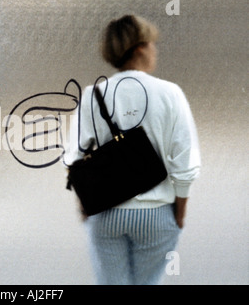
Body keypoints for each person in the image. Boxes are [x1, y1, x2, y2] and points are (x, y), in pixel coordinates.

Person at [64, 14, 201, 285]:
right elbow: (185, 164)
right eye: (152, 44)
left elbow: (73, 158)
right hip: (158, 214)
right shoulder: (170, 93)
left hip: (106, 215)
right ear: (140, 47)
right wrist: (180, 215)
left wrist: (84, 207)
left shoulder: (93, 95)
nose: (155, 50)